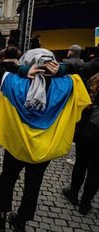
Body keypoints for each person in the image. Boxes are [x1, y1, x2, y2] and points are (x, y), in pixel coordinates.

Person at [0, 48, 91, 232]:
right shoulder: (66, 85)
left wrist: (22, 71)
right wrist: (61, 70)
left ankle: (2, 215)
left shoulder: (15, 83)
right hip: (44, 149)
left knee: (7, 178)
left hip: (17, 145)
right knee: (33, 184)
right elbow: (83, 73)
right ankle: (21, 219)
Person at [62, 72, 99, 215]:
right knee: (96, 170)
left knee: (81, 163)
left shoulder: (93, 81)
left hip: (87, 132)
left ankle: (73, 193)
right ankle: (85, 203)